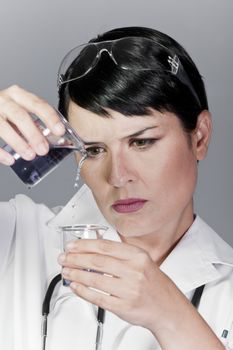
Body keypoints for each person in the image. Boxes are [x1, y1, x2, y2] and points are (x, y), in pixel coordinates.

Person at [0, 26, 232, 350]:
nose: (118, 176)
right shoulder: (16, 237)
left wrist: (171, 317)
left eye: (141, 142)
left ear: (200, 137)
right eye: (94, 150)